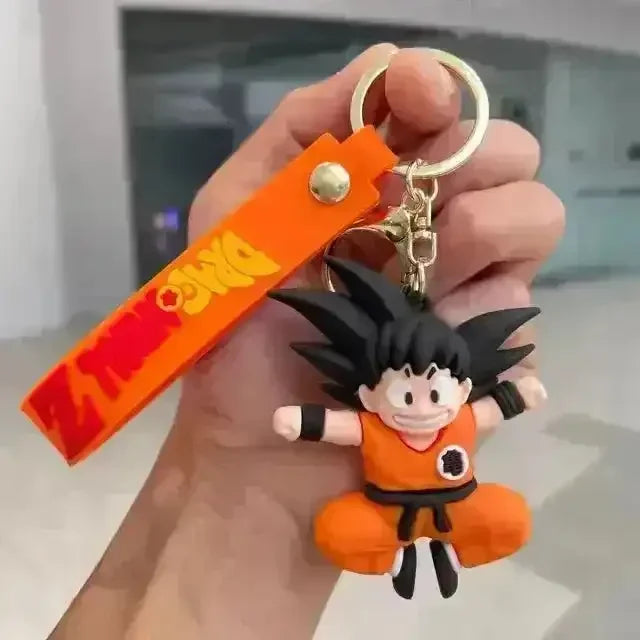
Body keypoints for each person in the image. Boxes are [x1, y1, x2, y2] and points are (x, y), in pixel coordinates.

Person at [49, 45, 565, 640]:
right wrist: (283, 433)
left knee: (494, 517)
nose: (422, 406)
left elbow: (490, 405)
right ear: (369, 393)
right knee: (364, 529)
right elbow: (338, 424)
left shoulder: (433, 408)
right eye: (407, 393)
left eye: (435, 392)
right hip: (384, 501)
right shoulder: (378, 414)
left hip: (449, 497)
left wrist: (263, 484)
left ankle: (438, 547)